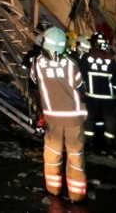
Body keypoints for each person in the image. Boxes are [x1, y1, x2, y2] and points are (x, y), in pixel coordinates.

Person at [30, 26, 87, 203]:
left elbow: (33, 83)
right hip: (73, 117)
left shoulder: (37, 63)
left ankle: (53, 191)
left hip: (52, 117)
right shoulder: (70, 64)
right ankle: (76, 195)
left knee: (53, 155)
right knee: (75, 155)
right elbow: (81, 88)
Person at [80, 32, 116, 154]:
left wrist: (82, 91)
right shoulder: (110, 61)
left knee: (90, 118)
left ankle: (88, 141)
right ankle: (108, 142)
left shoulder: (86, 59)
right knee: (109, 118)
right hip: (108, 97)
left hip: (91, 96)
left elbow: (80, 77)